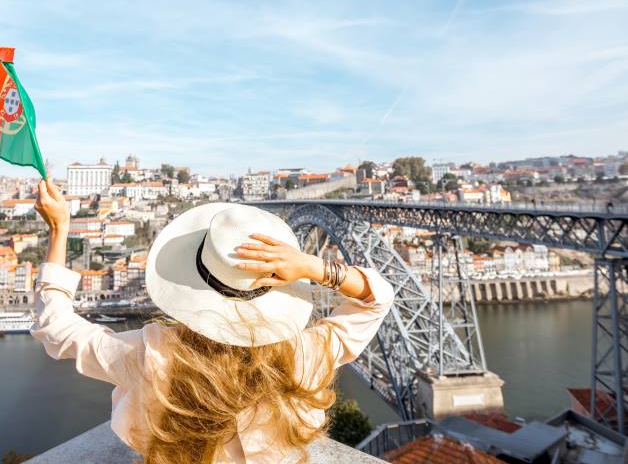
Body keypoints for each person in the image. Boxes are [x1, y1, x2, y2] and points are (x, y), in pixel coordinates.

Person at [31, 178, 394, 464]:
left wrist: (60, 229)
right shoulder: (308, 353)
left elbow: (56, 328)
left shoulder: (153, 355)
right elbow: (377, 299)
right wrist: (315, 267)